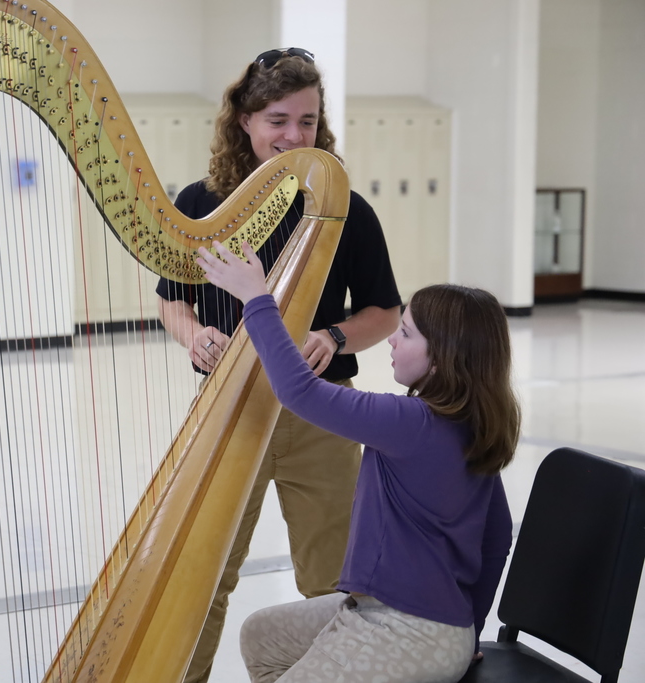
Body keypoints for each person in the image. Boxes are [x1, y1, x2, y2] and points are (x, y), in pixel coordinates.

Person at [155, 48, 402, 682]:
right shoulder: (201, 201)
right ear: (243, 120)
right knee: (204, 576)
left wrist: (338, 337)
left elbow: (386, 312)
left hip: (322, 417)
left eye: (308, 121)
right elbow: (169, 301)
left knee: (333, 583)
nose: (295, 136)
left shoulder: (346, 211)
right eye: (278, 120)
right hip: (229, 416)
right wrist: (191, 334)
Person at [197, 240, 519, 683]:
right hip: (426, 622)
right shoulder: (474, 426)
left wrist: (257, 299)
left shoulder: (408, 422)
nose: (391, 338)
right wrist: (469, 635)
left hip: (406, 630)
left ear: (442, 360)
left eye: (405, 333)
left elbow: (299, 392)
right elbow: (497, 537)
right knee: (261, 634)